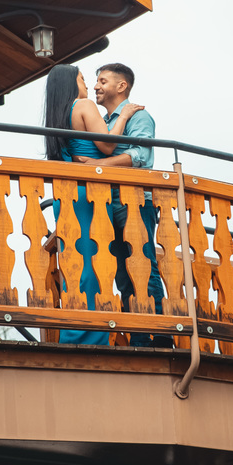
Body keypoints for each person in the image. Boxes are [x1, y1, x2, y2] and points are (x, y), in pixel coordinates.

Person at [43, 63, 142, 345]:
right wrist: (124, 114)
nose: (88, 85)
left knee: (74, 264)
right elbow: (108, 145)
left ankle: (76, 331)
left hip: (66, 196)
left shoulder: (57, 114)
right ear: (72, 84)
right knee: (94, 264)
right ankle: (87, 336)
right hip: (89, 195)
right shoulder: (83, 105)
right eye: (83, 79)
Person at [74, 63, 168, 348]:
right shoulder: (106, 121)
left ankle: (158, 336)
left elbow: (140, 155)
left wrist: (99, 165)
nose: (96, 86)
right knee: (121, 270)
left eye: (102, 81)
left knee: (142, 264)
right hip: (109, 203)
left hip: (134, 201)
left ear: (121, 86)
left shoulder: (139, 116)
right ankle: (138, 335)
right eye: (95, 81)